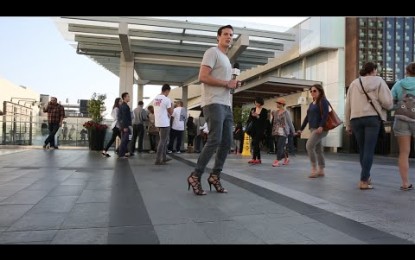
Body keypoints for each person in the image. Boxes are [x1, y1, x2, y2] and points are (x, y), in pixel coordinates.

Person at [187, 24, 240, 196]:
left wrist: (232, 85)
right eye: (225, 34)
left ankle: (215, 176)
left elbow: (226, 84)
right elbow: (203, 77)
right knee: (215, 140)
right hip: (213, 103)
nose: (229, 37)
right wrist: (226, 83)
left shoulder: (226, 59)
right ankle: (195, 176)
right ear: (218, 37)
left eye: (231, 35)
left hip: (226, 104)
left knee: (227, 142)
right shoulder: (212, 52)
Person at [345, 62, 393, 189]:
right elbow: (388, 103)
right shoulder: (379, 81)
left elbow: (348, 105)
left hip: (355, 119)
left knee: (363, 150)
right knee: (369, 150)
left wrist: (347, 124)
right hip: (372, 119)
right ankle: (364, 181)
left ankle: (366, 176)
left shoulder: (354, 83)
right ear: (373, 70)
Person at [390, 62, 415, 191]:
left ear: (406, 71)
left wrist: (397, 106)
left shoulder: (399, 84)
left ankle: (405, 183)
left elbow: (389, 102)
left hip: (401, 119)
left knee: (404, 153)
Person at [298, 84, 329, 178]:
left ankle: (314, 169)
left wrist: (321, 126)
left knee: (309, 146)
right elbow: (307, 117)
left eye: (314, 91)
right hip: (313, 129)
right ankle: (321, 170)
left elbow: (325, 115)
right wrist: (301, 129)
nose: (312, 93)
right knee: (318, 149)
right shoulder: (312, 104)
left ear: (320, 91)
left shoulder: (323, 101)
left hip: (320, 129)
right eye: (311, 91)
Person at [271, 97, 295, 167]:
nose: (276, 104)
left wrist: (293, 131)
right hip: (276, 132)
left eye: (278, 103)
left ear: (282, 104)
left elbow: (290, 123)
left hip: (284, 132)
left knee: (280, 146)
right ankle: (286, 158)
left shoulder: (286, 112)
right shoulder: (275, 112)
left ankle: (277, 161)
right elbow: (274, 122)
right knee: (281, 146)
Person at [153, 83, 173, 165]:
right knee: (163, 141)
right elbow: (170, 112)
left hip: (158, 122)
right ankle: (158, 159)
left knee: (163, 140)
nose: (168, 93)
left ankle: (164, 158)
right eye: (169, 92)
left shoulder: (156, 98)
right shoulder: (166, 99)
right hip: (165, 122)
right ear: (167, 90)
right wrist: (172, 105)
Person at [247, 96, 268, 165]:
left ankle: (255, 158)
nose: (256, 103)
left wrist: (257, 116)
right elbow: (250, 119)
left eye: (257, 102)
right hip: (253, 129)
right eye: (255, 102)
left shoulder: (264, 110)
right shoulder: (253, 109)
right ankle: (257, 159)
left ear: (260, 103)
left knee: (256, 143)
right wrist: (252, 116)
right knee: (255, 144)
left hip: (260, 129)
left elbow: (264, 120)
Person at [118, 92, 132, 159]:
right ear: (124, 98)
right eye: (128, 96)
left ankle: (121, 153)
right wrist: (125, 127)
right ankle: (121, 154)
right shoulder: (124, 106)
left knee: (126, 140)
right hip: (125, 126)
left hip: (124, 126)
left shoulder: (123, 106)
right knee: (125, 140)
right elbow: (124, 117)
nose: (129, 98)